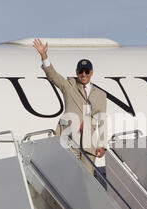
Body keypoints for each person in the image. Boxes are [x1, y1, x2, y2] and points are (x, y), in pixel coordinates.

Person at [33, 38, 107, 174]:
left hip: (89, 143)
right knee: (69, 175)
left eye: (86, 71)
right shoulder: (68, 85)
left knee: (87, 178)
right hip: (69, 138)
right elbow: (52, 75)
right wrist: (44, 55)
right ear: (76, 72)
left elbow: (102, 120)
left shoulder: (101, 95)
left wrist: (102, 145)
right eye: (81, 71)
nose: (83, 74)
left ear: (91, 73)